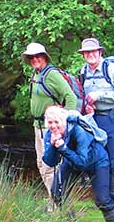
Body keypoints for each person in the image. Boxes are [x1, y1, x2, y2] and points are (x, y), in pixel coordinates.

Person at [42, 105, 114, 222]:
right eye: (50, 122)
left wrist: (63, 148)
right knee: (57, 192)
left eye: (56, 122)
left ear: (63, 121)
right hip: (71, 160)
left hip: (97, 161)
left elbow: (82, 162)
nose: (53, 126)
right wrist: (54, 146)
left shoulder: (78, 130)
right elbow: (50, 162)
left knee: (102, 200)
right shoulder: (50, 133)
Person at [78, 37, 114, 218]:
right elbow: (85, 97)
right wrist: (88, 107)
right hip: (96, 120)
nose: (90, 54)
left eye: (93, 51)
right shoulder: (83, 72)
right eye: (86, 52)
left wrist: (99, 95)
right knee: (102, 162)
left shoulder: (112, 69)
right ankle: (108, 203)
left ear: (100, 52)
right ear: (83, 55)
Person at [23, 42, 78, 209]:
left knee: (50, 167)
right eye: (31, 57)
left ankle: (57, 204)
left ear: (44, 57)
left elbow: (71, 97)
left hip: (50, 128)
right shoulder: (36, 73)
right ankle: (54, 200)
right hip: (38, 125)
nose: (35, 59)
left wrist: (63, 123)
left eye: (38, 56)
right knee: (42, 164)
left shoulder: (52, 74)